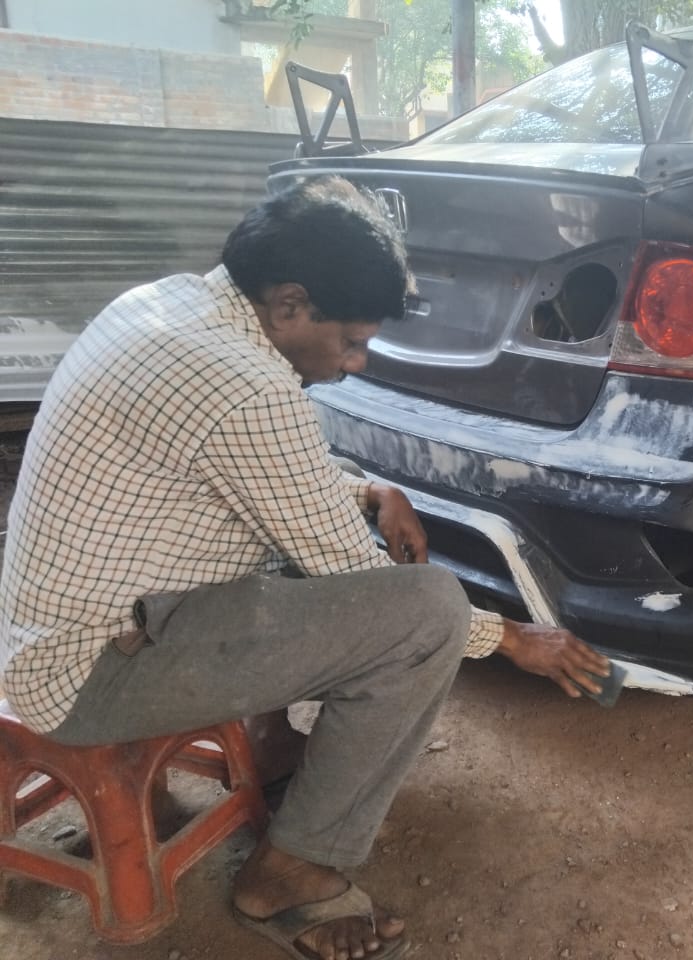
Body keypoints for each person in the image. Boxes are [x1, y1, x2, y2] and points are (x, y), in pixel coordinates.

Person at [0, 176, 611, 960]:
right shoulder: (244, 385)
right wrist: (514, 639)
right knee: (427, 613)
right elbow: (350, 573)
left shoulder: (176, 306)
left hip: (67, 629)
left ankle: (273, 754)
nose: (355, 363)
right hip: (90, 673)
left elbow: (263, 475)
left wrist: (373, 491)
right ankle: (290, 872)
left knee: (299, 554)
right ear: (290, 304)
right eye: (351, 341)